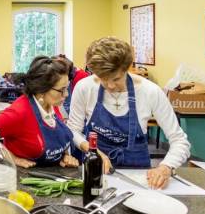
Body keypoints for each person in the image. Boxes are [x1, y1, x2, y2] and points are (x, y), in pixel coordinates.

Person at [67, 37, 191, 188]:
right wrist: (92, 150)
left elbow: (179, 140)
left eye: (116, 78)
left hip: (138, 172)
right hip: (96, 170)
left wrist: (165, 167)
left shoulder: (150, 91)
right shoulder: (84, 87)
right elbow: (73, 130)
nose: (110, 85)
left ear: (127, 68)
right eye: (103, 79)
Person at [0, 56, 82, 169]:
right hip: (24, 177)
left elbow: (58, 136)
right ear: (42, 89)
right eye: (61, 90)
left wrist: (65, 156)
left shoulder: (52, 104)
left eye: (67, 88)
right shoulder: (19, 113)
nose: (66, 94)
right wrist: (12, 158)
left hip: (53, 175)